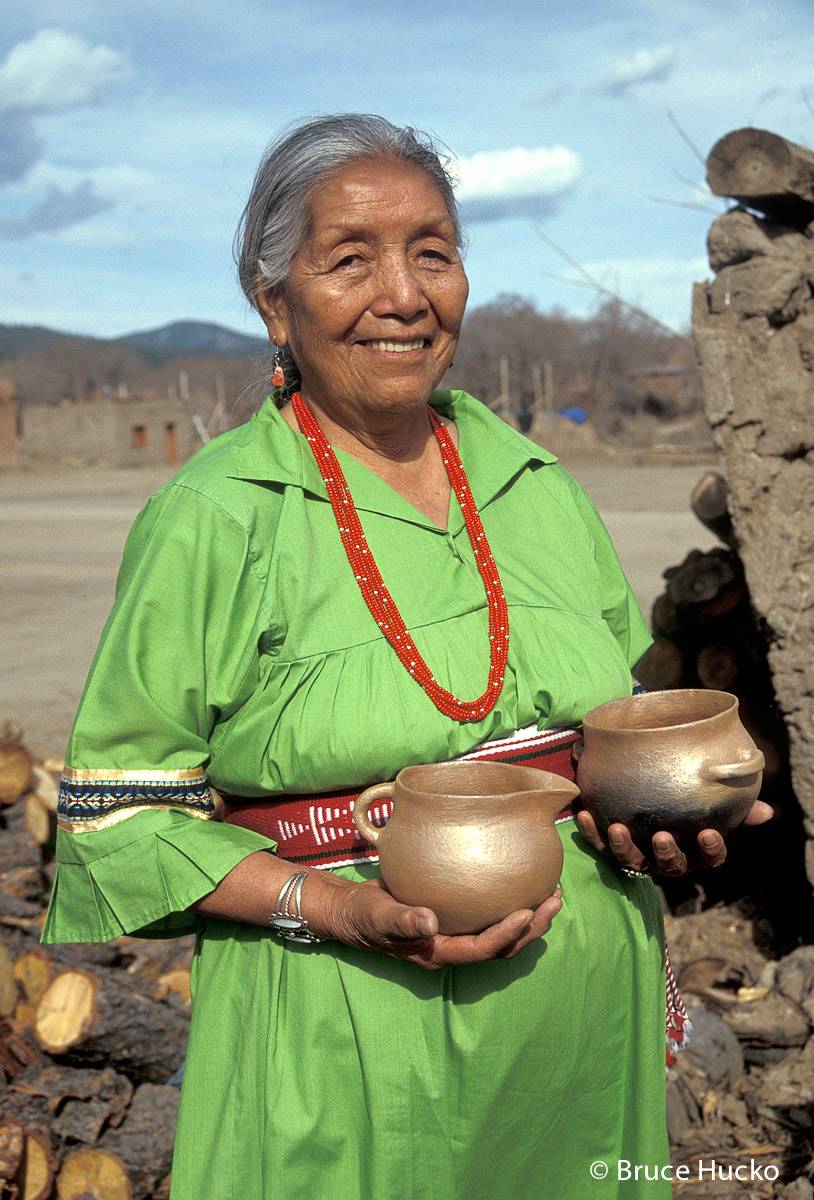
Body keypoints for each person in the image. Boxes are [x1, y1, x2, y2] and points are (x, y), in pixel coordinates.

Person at [43, 114, 771, 1200]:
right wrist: (337, 909)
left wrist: (653, 830)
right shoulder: (213, 516)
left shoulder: (536, 486)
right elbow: (118, 816)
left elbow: (614, 731)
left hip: (575, 1025)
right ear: (271, 299)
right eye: (349, 258)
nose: (403, 293)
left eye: (433, 251)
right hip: (341, 1027)